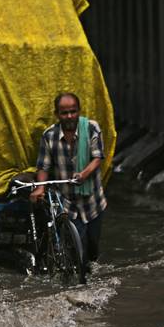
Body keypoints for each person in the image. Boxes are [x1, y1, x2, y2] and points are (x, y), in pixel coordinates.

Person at [30, 92, 107, 272]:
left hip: (93, 201)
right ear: (57, 114)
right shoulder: (49, 135)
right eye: (64, 113)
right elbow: (43, 166)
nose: (70, 116)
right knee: (77, 247)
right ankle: (78, 280)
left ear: (79, 111)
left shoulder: (91, 128)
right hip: (68, 203)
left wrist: (84, 174)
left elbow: (97, 157)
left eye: (73, 111)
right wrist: (40, 188)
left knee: (93, 247)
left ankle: (88, 271)